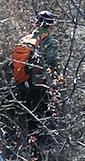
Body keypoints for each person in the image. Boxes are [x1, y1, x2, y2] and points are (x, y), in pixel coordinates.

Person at [8, 10, 60, 141]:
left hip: (22, 86)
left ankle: (31, 152)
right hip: (39, 87)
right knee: (44, 122)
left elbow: (12, 64)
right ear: (51, 26)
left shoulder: (25, 40)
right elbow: (52, 63)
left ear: (36, 24)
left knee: (30, 122)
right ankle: (42, 154)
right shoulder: (50, 42)